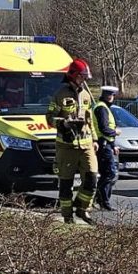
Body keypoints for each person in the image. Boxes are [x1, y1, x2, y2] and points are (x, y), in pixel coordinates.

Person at [46, 58, 99, 224]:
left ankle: (83, 208)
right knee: (66, 182)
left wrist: (95, 139)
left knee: (92, 178)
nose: (84, 80)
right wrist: (64, 123)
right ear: (73, 76)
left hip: (86, 145)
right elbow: (49, 118)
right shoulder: (60, 94)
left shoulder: (86, 95)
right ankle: (67, 215)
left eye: (85, 77)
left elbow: (90, 120)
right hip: (66, 146)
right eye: (82, 76)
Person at [93, 86, 121, 211]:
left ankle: (100, 199)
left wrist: (113, 145)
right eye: (110, 95)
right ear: (105, 95)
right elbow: (104, 128)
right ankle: (102, 200)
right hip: (103, 144)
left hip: (107, 144)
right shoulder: (101, 108)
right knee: (109, 173)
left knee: (107, 173)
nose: (112, 98)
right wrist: (115, 132)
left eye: (113, 95)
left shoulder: (104, 107)